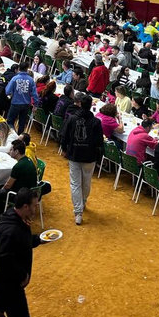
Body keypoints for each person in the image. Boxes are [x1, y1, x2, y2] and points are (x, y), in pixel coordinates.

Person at [0, 187, 44, 317]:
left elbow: (19, 244)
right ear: (25, 206)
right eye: (34, 205)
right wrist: (22, 275)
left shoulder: (15, 218)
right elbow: (3, 259)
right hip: (8, 283)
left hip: (6, 281)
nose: (35, 208)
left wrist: (38, 239)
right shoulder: (12, 230)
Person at [59, 95, 104, 225]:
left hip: (74, 154)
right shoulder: (96, 122)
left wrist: (64, 148)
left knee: (75, 183)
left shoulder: (72, 119)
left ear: (79, 104)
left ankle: (78, 211)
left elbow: (64, 135)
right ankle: (82, 203)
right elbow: (99, 142)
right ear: (90, 106)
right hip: (89, 157)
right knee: (86, 182)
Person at [5, 61, 38, 135]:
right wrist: (35, 105)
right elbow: (35, 94)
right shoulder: (31, 80)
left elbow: (7, 91)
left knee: (10, 122)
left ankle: (13, 136)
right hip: (26, 105)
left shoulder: (15, 78)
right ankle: (19, 138)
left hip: (15, 103)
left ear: (19, 68)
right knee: (22, 124)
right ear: (27, 69)